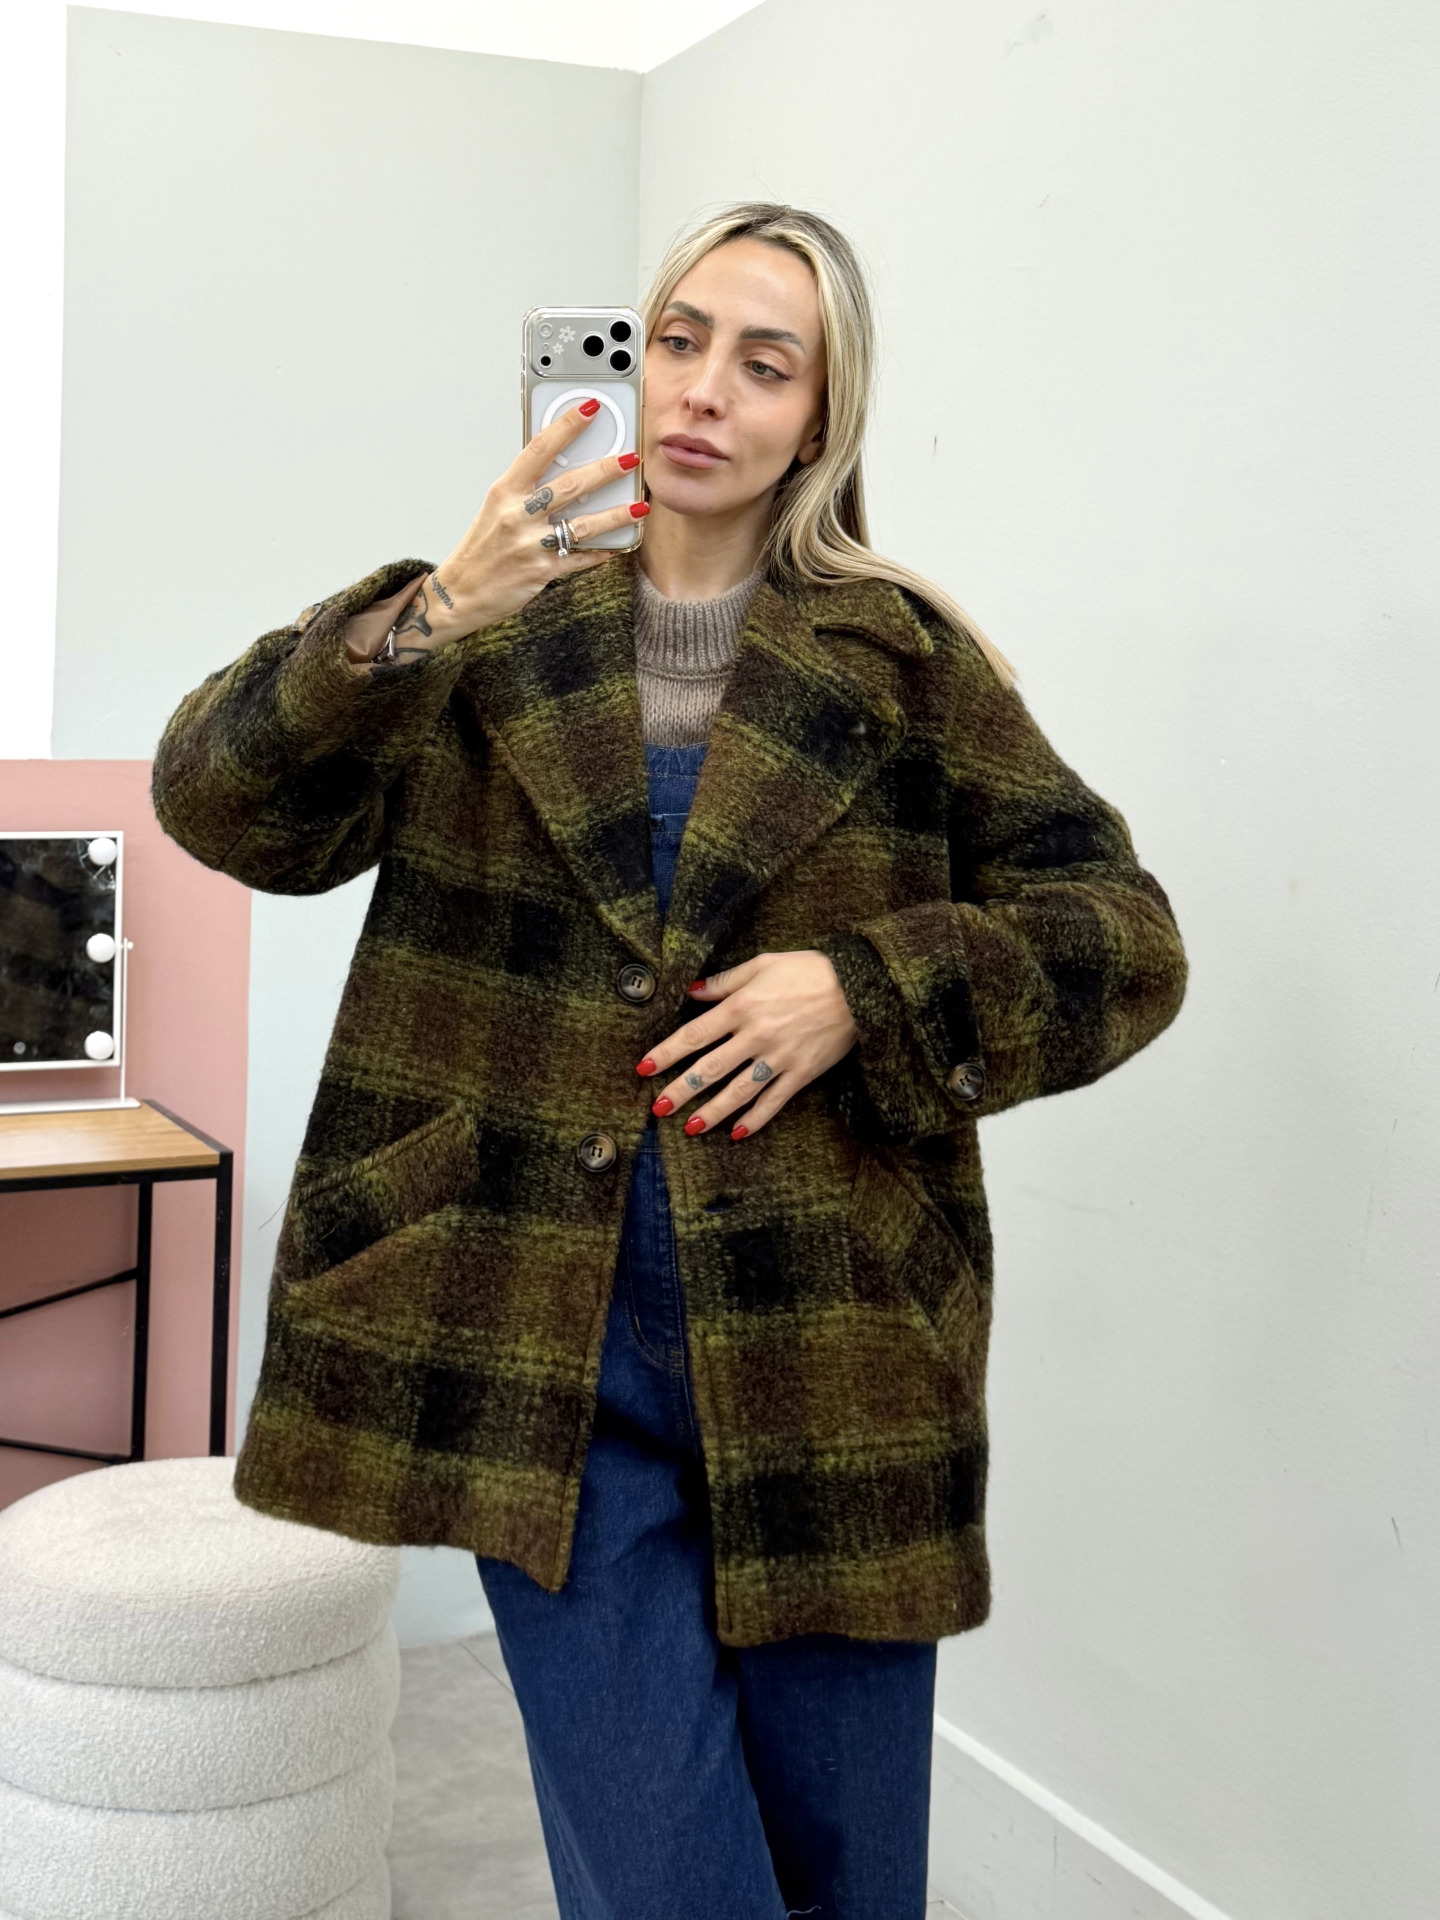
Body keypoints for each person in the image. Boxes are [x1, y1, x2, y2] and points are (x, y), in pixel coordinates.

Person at [151, 202, 1188, 1920]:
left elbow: (1126, 937)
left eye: (765, 364)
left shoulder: (910, 663)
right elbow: (222, 804)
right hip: (522, 1314)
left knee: (850, 1871)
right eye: (679, 340)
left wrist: (863, 987)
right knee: (665, 1868)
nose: (703, 390)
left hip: (829, 1327)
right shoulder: (483, 633)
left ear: (821, 418)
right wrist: (434, 608)